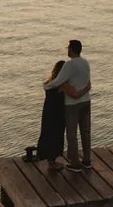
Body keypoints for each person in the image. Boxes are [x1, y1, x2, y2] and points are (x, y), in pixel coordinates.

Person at [41, 39, 91, 171]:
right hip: (86, 101)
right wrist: (85, 90)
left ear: (71, 49)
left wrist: (47, 87)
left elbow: (58, 81)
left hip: (73, 104)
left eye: (68, 48)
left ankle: (75, 163)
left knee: (72, 134)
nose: (67, 50)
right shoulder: (85, 63)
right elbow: (87, 82)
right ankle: (87, 160)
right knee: (85, 132)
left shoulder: (69, 65)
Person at [34, 60, 68, 165]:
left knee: (47, 134)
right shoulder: (62, 86)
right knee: (57, 136)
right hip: (58, 113)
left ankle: (47, 158)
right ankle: (52, 162)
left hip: (48, 112)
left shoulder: (49, 84)